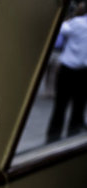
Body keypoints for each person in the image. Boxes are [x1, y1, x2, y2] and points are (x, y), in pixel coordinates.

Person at [46, 2, 87, 142]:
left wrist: (73, 15)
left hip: (68, 69)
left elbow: (61, 29)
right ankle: (73, 134)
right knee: (79, 106)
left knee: (60, 106)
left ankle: (53, 136)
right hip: (84, 72)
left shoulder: (76, 22)